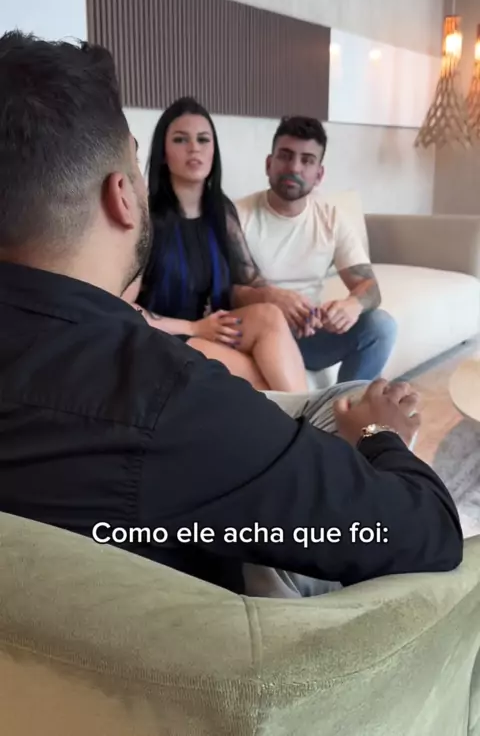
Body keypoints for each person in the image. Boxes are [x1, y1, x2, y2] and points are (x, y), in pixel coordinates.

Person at [0, 30, 462, 601]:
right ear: (122, 195)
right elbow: (428, 531)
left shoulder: (222, 225)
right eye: (141, 158)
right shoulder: (169, 398)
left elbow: (248, 284)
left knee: (332, 366)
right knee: (355, 411)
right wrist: (378, 435)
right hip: (219, 634)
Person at [133, 97, 308, 393]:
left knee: (270, 316)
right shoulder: (146, 218)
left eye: (203, 139)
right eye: (180, 139)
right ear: (163, 153)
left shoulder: (220, 211)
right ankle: (310, 416)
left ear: (214, 150)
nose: (194, 148)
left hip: (211, 328)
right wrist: (192, 328)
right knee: (263, 379)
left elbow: (248, 279)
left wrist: (284, 300)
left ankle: (309, 414)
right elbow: (123, 307)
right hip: (165, 338)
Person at [235, 116, 398, 382]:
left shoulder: (331, 218)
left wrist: (352, 305)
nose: (294, 167)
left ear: (319, 174)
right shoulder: (237, 216)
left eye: (307, 160)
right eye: (285, 156)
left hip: (309, 334)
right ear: (268, 164)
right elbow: (222, 292)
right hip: (254, 331)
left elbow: (370, 287)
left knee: (381, 327)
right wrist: (268, 297)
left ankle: (344, 405)